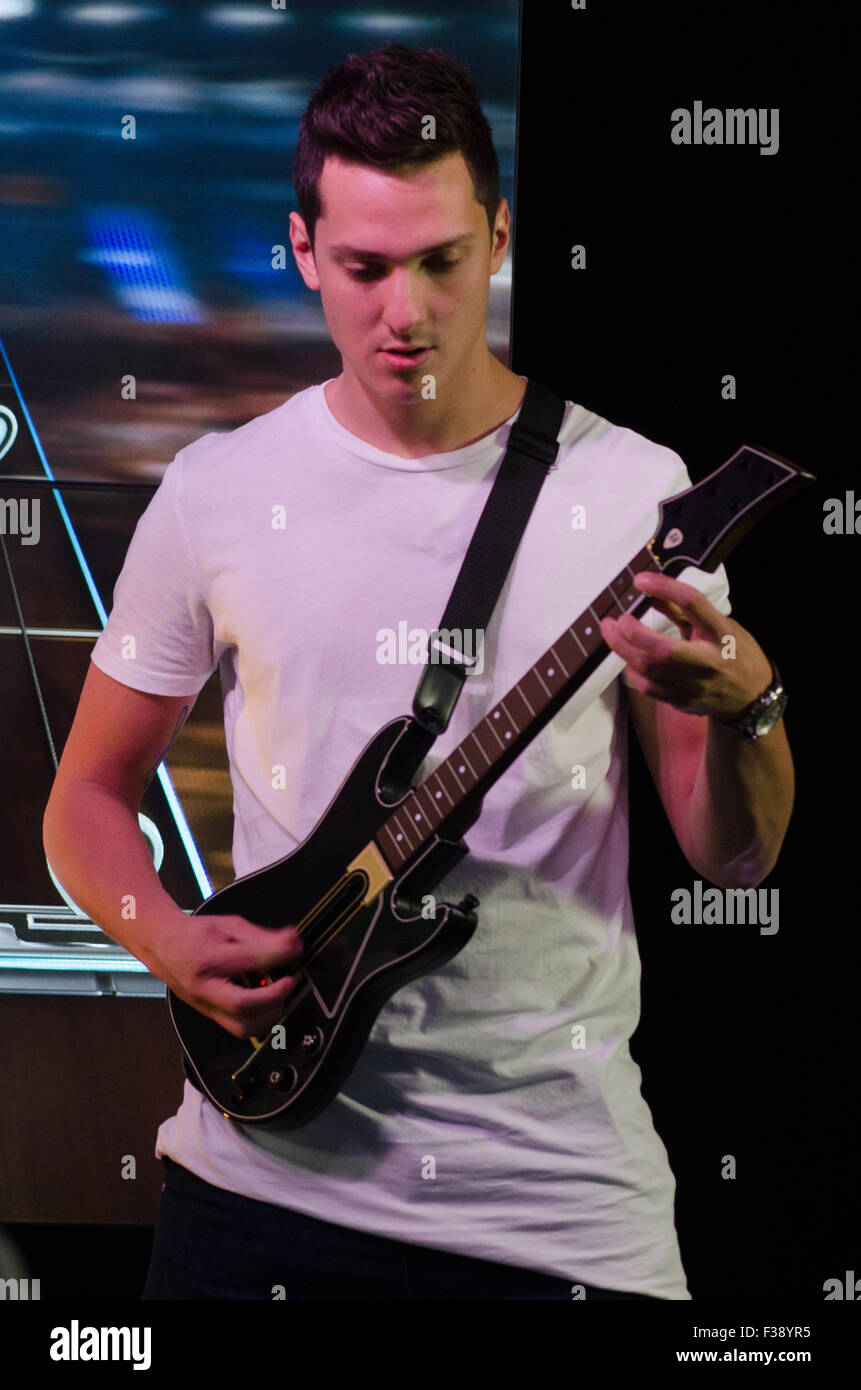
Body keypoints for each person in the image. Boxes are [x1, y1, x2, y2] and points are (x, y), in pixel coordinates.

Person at [42, 43, 794, 1301]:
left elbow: (736, 857)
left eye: (444, 261)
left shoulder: (632, 495)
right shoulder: (219, 491)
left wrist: (752, 710)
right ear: (300, 251)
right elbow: (86, 799)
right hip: (250, 1194)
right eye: (366, 267)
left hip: (555, 1219)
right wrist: (165, 938)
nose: (409, 311)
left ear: (500, 237)